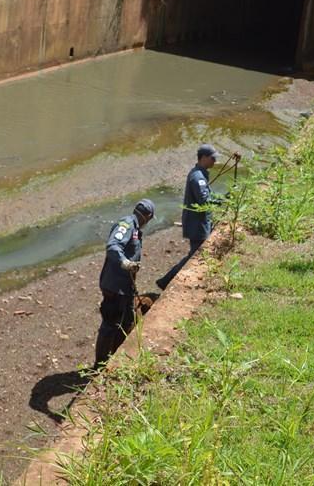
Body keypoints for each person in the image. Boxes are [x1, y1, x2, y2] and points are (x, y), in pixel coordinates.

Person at [94, 198, 155, 367]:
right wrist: (125, 262)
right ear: (148, 216)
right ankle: (99, 364)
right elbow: (113, 246)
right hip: (114, 285)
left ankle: (116, 356)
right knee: (110, 324)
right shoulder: (126, 225)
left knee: (128, 320)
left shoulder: (136, 230)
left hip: (126, 286)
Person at [156, 144, 220, 289]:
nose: (215, 162)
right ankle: (166, 281)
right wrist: (222, 201)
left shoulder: (200, 174)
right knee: (195, 256)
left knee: (196, 255)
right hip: (197, 225)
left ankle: (166, 280)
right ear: (203, 158)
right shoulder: (197, 177)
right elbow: (204, 201)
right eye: (212, 158)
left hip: (200, 223)